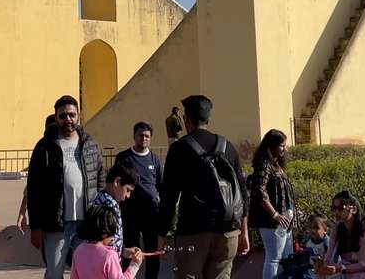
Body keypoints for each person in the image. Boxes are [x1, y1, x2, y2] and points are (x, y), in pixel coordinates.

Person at [157, 94, 250, 279]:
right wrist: (244, 231)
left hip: (193, 231)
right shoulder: (228, 147)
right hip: (228, 231)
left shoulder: (180, 149)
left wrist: (161, 234)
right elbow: (242, 192)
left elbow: (169, 196)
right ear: (208, 118)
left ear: (186, 120)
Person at [28, 96, 105, 279]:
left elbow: (100, 180)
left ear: (79, 115)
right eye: (63, 116)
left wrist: (100, 216)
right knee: (54, 273)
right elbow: (34, 188)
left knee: (85, 273)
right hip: (56, 225)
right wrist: (36, 227)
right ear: (56, 118)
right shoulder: (45, 147)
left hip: (86, 223)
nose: (68, 119)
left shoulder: (90, 144)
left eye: (71, 114)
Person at [114, 122, 163, 279]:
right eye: (140, 135)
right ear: (134, 136)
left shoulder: (155, 160)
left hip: (151, 215)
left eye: (147, 136)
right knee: (130, 252)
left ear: (151, 138)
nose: (144, 138)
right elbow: (115, 183)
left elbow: (162, 186)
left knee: (151, 253)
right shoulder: (123, 158)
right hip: (130, 214)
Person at [250, 129, 296, 279]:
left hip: (285, 221)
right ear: (271, 146)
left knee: (286, 259)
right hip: (271, 222)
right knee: (274, 259)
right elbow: (259, 192)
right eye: (281, 145)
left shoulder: (276, 165)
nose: (284, 149)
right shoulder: (264, 165)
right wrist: (275, 214)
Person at [324, 190, 365, 279]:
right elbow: (329, 256)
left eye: (341, 208)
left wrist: (339, 268)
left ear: (353, 209)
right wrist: (323, 266)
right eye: (334, 208)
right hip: (350, 270)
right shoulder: (336, 229)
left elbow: (364, 265)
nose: (336, 212)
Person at [72, 204, 143, 279]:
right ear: (105, 234)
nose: (112, 239)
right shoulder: (109, 256)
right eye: (112, 234)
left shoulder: (79, 251)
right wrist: (134, 265)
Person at [86, 163, 139, 259]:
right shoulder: (109, 206)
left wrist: (123, 251)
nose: (128, 195)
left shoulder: (101, 198)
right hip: (106, 265)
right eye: (128, 190)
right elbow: (107, 242)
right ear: (117, 182)